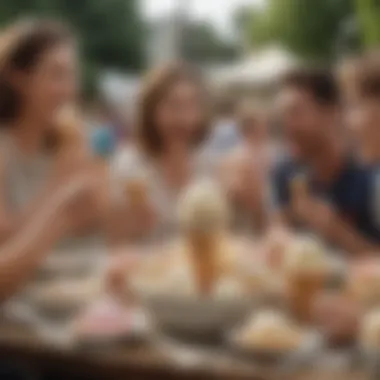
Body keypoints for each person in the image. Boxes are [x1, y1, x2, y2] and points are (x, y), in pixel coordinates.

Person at [272, 68, 380, 255]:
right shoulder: (286, 174)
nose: (286, 126)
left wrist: (335, 230)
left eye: (295, 113)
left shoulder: (369, 180)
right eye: (283, 115)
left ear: (332, 113)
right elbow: (277, 233)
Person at [109, 63, 210, 247]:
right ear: (151, 112)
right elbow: (115, 244)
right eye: (174, 106)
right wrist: (131, 225)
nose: (185, 118)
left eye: (192, 105)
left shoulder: (210, 165)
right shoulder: (129, 167)